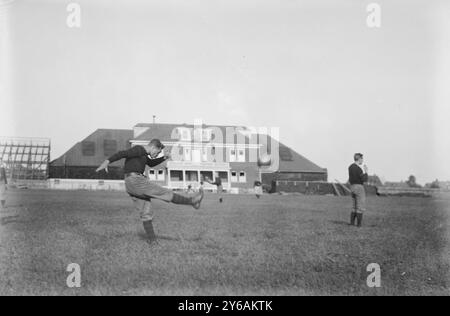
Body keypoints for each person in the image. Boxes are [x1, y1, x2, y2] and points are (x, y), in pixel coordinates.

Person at [96, 139, 204, 244]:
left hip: (131, 184)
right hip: (136, 181)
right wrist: (107, 162)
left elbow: (151, 163)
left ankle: (152, 241)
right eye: (157, 152)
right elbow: (122, 153)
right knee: (163, 192)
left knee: (146, 212)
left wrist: (164, 157)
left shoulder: (142, 155)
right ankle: (192, 201)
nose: (157, 154)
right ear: (153, 147)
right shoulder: (138, 149)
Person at [348, 153, 369, 227]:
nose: (362, 160)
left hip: (352, 187)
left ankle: (352, 223)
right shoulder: (359, 169)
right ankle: (359, 225)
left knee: (354, 206)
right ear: (359, 159)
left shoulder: (350, 167)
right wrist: (366, 171)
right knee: (360, 206)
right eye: (362, 158)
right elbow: (364, 180)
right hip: (359, 187)